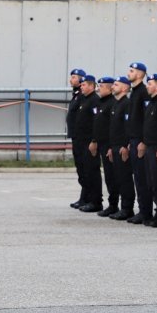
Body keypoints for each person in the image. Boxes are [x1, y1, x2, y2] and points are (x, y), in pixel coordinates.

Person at [139, 73, 157, 226]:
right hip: (149, 147)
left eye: (149, 84)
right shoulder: (151, 103)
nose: (147, 86)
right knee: (151, 182)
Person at [126, 62, 153, 224]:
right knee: (137, 177)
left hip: (141, 141)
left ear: (141, 74)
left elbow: (146, 120)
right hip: (134, 139)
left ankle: (146, 212)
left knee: (143, 178)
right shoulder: (134, 92)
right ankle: (142, 209)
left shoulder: (143, 93)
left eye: (132, 71)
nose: (129, 73)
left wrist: (143, 141)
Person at [106, 76, 136, 220]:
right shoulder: (115, 104)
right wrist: (112, 147)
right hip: (115, 146)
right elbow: (114, 129)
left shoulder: (126, 104)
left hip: (123, 147)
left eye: (116, 85)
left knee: (125, 179)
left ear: (125, 87)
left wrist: (125, 146)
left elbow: (128, 128)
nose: (113, 87)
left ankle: (127, 208)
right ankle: (118, 206)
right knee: (117, 178)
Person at [75, 75, 103, 213]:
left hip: (89, 142)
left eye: (84, 84)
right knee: (85, 172)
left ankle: (96, 201)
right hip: (81, 141)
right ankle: (87, 198)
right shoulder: (84, 100)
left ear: (92, 86)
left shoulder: (95, 101)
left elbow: (97, 123)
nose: (81, 86)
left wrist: (94, 140)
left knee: (92, 171)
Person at [92, 76, 118, 217]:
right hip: (102, 143)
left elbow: (113, 127)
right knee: (108, 176)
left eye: (101, 86)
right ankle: (112, 204)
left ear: (110, 87)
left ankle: (114, 205)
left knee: (113, 176)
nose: (98, 89)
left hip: (110, 145)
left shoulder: (112, 103)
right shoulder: (101, 103)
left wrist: (110, 146)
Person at [66, 68, 87, 209]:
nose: (71, 79)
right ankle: (84, 197)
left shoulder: (82, 96)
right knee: (80, 169)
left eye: (74, 77)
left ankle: (87, 197)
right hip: (76, 137)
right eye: (71, 77)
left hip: (82, 138)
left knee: (85, 169)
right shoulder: (76, 95)